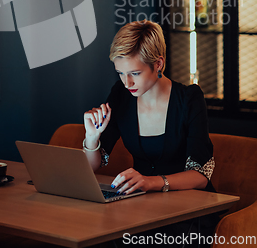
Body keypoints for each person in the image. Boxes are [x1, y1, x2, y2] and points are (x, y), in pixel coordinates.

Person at [83, 20, 218, 244]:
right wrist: (92, 137)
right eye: (120, 73)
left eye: (135, 73)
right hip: (139, 209)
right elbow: (92, 166)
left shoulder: (190, 99)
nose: (127, 82)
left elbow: (200, 176)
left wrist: (151, 182)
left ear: (158, 64)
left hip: (189, 213)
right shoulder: (121, 95)